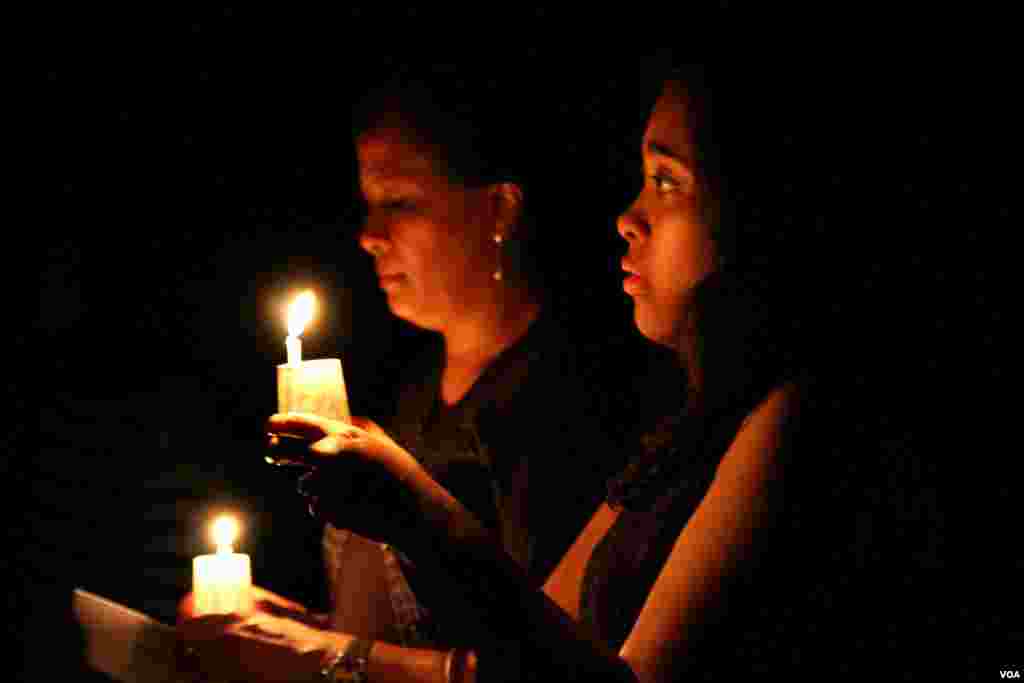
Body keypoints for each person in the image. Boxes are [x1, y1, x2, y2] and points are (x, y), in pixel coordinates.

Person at [181, 64, 815, 681]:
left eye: (667, 180)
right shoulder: (684, 426)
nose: (628, 218)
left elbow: (552, 660)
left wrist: (404, 527)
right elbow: (549, 630)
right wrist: (294, 635)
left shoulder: (608, 402)